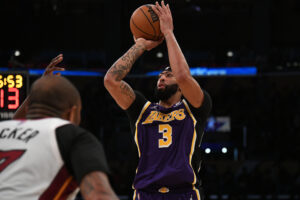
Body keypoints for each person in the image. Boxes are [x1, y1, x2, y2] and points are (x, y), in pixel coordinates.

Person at [104, 1, 212, 200]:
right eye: (160, 75)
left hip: (184, 193)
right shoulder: (141, 109)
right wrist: (140, 45)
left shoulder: (196, 108)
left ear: (181, 87)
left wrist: (168, 33)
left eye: (167, 75)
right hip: (145, 194)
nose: (162, 77)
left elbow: (183, 76)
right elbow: (111, 80)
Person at [0, 55, 119, 200]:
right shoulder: (74, 136)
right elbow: (100, 195)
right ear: (72, 112)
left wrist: (41, 88)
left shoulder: (4, 127)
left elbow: (17, 123)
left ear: (31, 105)